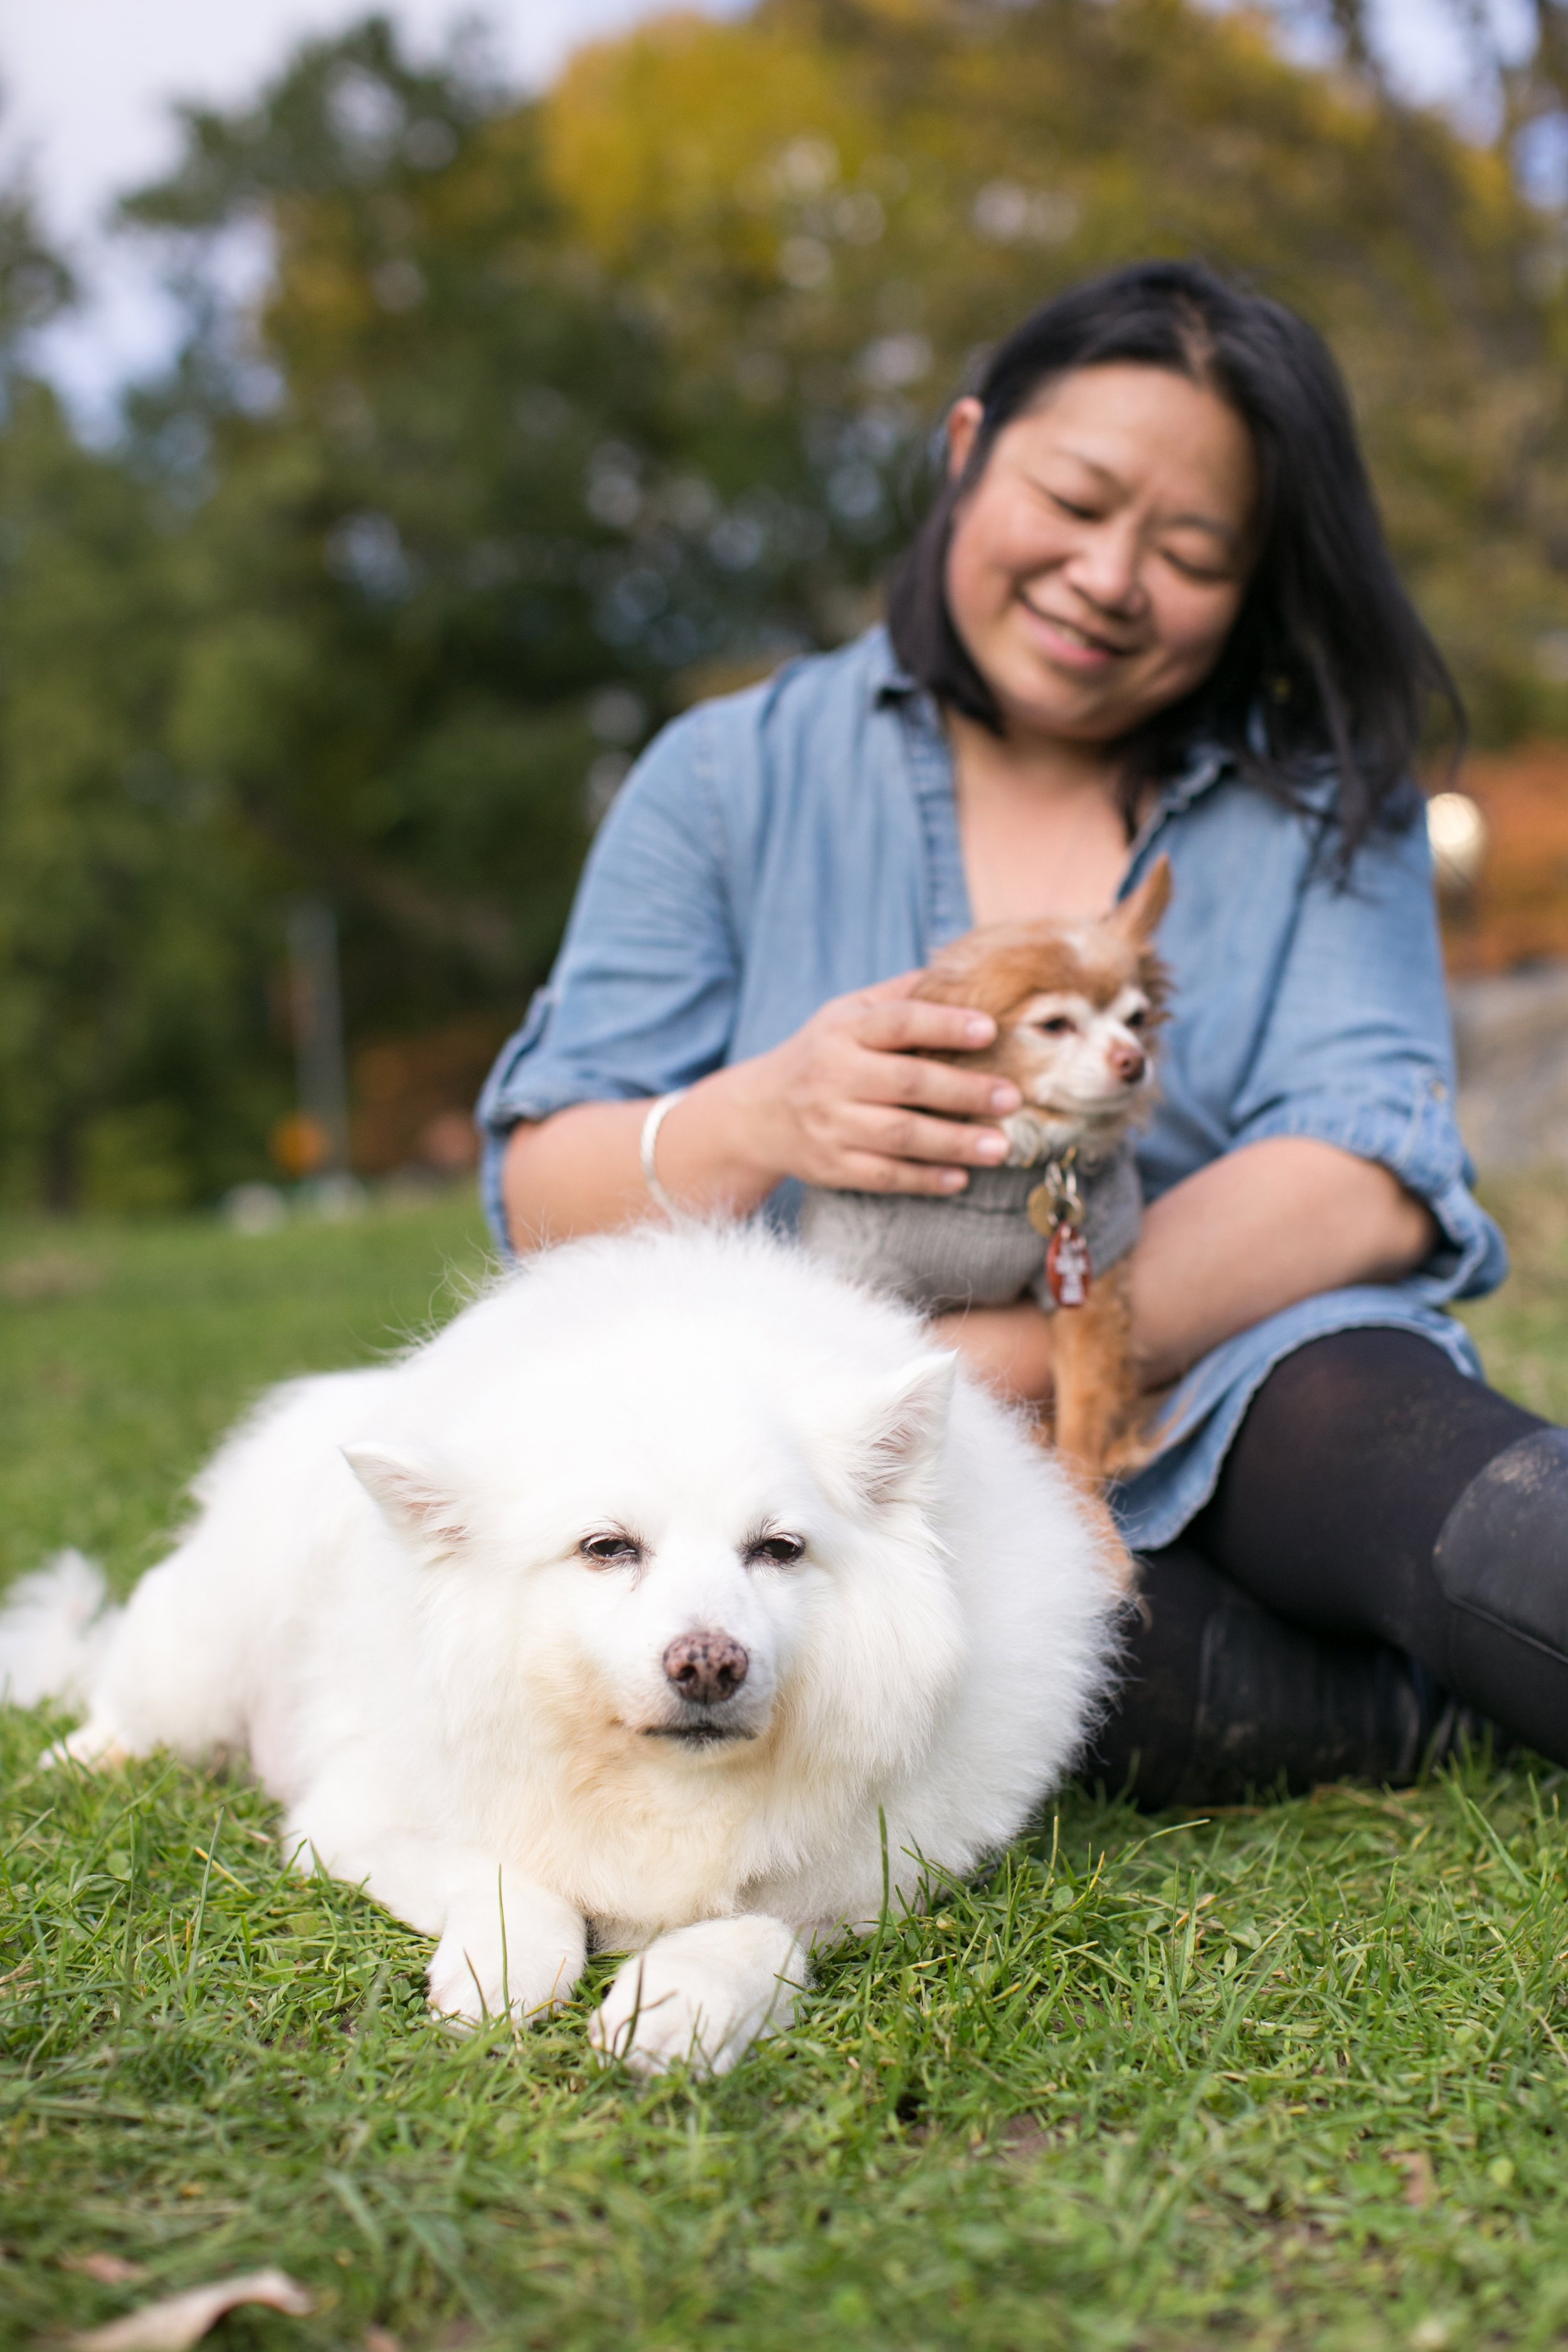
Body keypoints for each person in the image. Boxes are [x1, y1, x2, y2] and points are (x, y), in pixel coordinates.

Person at [478, 260, 1565, 1805]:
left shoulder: (1319, 800)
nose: (1109, 577)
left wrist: (1017, 1357)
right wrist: (758, 1115)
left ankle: (1444, 1614)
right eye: (1073, 498)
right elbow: (544, 1197)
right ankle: (1400, 1705)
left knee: (1447, 1490)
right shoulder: (725, 780)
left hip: (1242, 1362)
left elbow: (1366, 1170)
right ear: (966, 448)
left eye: (1189, 551)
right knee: (995, 1650)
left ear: (1254, 580)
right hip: (826, 1454)